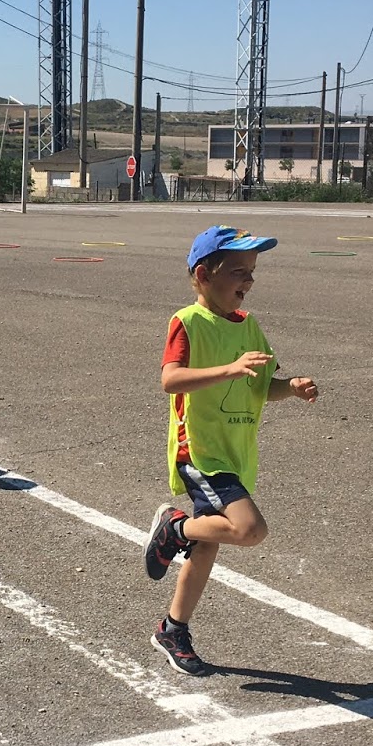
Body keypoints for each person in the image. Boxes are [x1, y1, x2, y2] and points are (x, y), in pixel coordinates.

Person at [142, 225, 319, 675]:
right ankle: (175, 528)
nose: (250, 280)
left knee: (209, 545)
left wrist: (290, 388)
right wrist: (229, 369)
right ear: (204, 275)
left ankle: (173, 629)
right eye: (239, 271)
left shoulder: (249, 326)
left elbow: (262, 386)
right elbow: (170, 380)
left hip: (235, 454)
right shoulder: (187, 322)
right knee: (249, 529)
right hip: (201, 452)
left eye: (253, 271)